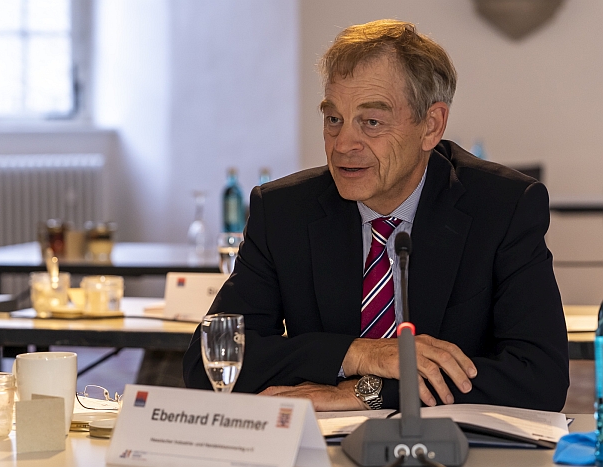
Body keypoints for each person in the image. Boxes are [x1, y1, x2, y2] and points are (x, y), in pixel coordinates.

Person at [183, 19, 569, 412]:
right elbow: (208, 362)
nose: (343, 145)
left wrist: (362, 392)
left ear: (431, 126)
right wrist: (357, 354)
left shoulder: (504, 207)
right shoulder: (284, 211)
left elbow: (540, 379)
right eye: (334, 119)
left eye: (371, 122)